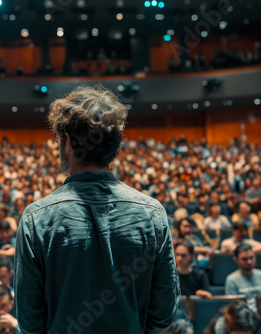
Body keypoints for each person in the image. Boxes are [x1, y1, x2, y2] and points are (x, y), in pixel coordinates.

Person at [15, 86, 179, 333]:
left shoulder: (36, 218)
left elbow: (29, 319)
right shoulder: (152, 213)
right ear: (114, 145)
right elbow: (164, 311)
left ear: (67, 141)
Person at [224, 243, 261, 312]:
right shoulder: (231, 280)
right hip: (245, 318)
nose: (249, 262)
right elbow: (234, 308)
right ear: (236, 260)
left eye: (251, 257)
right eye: (244, 259)